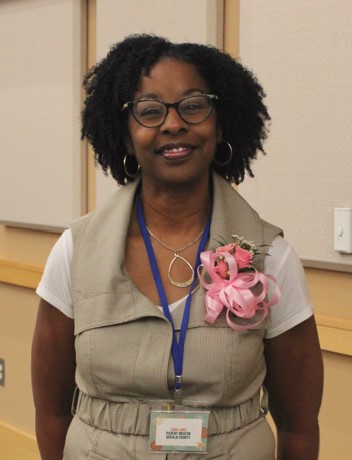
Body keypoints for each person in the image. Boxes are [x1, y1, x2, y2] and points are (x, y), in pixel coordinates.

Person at [31, 34, 323, 459]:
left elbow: (298, 427)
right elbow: (51, 413)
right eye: (149, 111)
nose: (173, 124)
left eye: (193, 105)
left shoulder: (270, 256)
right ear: (126, 134)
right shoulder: (75, 252)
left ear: (220, 124)